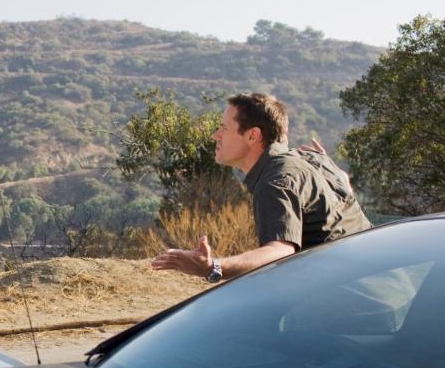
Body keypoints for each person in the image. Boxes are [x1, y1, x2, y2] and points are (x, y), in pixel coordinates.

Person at [152, 92, 371, 282]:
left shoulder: (275, 180)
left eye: (224, 129)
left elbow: (281, 251)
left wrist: (213, 267)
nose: (215, 135)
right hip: (380, 280)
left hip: (353, 303)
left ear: (253, 135)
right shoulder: (312, 159)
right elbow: (345, 193)